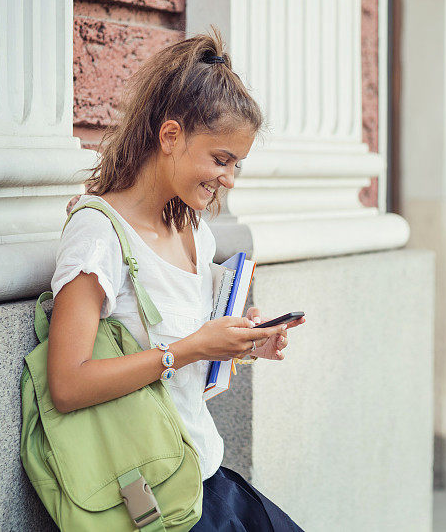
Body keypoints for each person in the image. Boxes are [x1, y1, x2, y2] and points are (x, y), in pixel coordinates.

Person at [48, 30, 306, 530]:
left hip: (204, 472)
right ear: (170, 137)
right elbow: (66, 384)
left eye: (236, 164)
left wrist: (243, 343)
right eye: (221, 159)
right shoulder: (99, 234)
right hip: (153, 497)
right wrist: (186, 349)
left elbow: (192, 366)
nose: (229, 178)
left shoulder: (194, 231)